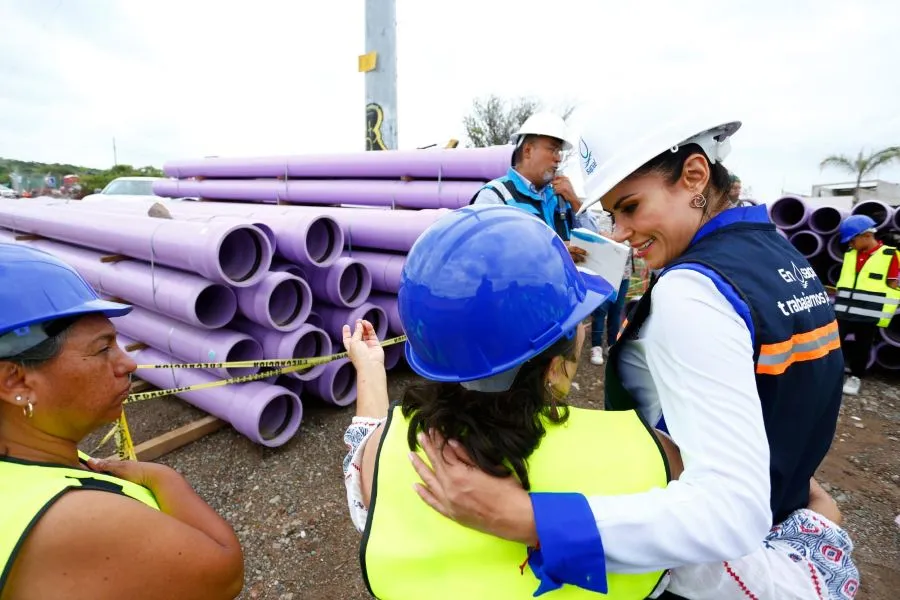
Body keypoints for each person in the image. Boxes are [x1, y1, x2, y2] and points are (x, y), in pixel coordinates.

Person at [403, 109, 852, 600]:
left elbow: (728, 513)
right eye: (615, 213)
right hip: (779, 512)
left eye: (631, 207)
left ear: (695, 176)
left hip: (708, 564)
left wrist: (530, 519)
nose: (618, 232)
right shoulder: (780, 258)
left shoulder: (693, 294)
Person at [0, 243, 244, 600]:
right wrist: (164, 478)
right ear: (16, 382)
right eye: (102, 349)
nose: (127, 364)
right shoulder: (76, 518)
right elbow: (225, 574)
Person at [470, 111, 595, 264]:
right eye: (553, 150)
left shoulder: (562, 196)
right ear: (528, 150)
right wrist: (552, 253)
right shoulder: (495, 196)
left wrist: (576, 202)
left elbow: (595, 246)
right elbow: (481, 253)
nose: (558, 159)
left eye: (560, 152)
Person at [833, 213, 900, 395]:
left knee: (862, 347)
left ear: (867, 236)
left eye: (852, 240)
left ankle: (855, 377)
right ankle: (830, 374)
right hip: (843, 311)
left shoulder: (889, 255)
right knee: (833, 343)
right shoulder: (850, 254)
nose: (850, 244)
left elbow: (892, 285)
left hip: (868, 313)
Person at [588, 209, 634, 366]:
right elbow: (603, 239)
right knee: (600, 310)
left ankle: (611, 344)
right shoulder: (605, 219)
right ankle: (596, 346)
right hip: (605, 274)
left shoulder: (632, 219)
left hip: (624, 275)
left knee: (616, 310)